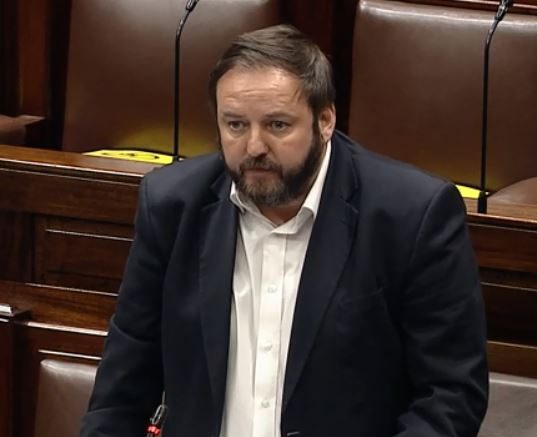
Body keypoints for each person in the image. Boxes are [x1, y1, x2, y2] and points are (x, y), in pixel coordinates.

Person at [80, 24, 488, 437]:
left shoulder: (411, 215)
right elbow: (123, 385)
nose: (254, 147)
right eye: (235, 125)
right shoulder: (172, 205)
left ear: (325, 120)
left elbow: (450, 395)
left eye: (277, 125)